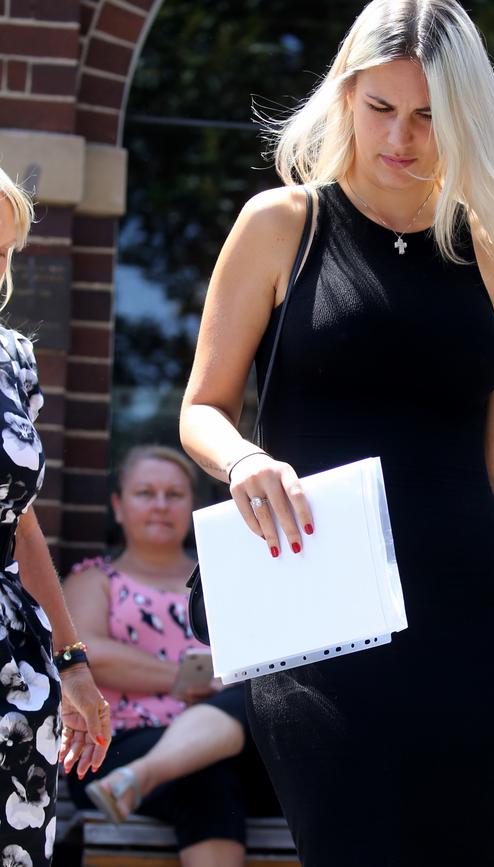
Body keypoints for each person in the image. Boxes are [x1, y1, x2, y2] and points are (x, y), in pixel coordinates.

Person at [179, 1, 494, 863]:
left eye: (429, 116)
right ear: (345, 97)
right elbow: (200, 409)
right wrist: (245, 457)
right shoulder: (281, 224)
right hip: (319, 622)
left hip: (467, 628)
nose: (400, 137)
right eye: (380, 108)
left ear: (465, 119)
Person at [63, 445, 265, 867]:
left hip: (232, 739)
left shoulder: (225, 578)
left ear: (190, 505)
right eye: (145, 493)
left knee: (254, 694)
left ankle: (144, 776)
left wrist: (219, 689)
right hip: (116, 745)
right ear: (118, 506)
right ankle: (142, 771)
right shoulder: (93, 579)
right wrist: (191, 680)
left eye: (173, 495)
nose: (160, 505)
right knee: (204, 776)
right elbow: (90, 654)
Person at [0, 168, 111, 867]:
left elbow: (22, 521)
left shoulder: (13, 360)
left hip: (13, 661)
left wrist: (73, 663)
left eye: (4, 249)